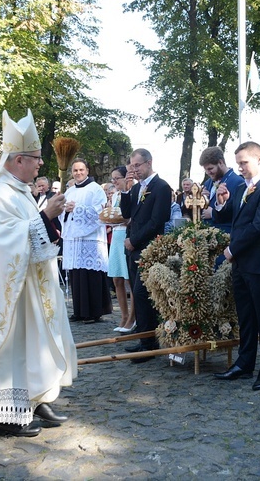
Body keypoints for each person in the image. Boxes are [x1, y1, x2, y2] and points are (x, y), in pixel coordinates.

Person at [0, 109, 75, 438]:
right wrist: (45, 216)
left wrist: (47, 218)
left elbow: (30, 234)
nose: (40, 165)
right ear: (18, 160)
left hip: (29, 289)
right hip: (8, 295)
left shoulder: (19, 191)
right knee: (11, 346)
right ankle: (6, 414)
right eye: (36, 159)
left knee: (32, 344)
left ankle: (34, 399)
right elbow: (5, 243)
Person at [212, 141, 260, 390]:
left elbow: (259, 226)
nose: (240, 168)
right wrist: (222, 203)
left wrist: (232, 249)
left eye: (244, 162)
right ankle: (244, 364)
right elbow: (231, 217)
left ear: (259, 160)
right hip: (243, 264)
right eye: (238, 163)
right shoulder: (246, 188)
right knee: (245, 317)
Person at [119, 148, 173, 362]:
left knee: (143, 293)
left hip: (149, 247)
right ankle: (144, 339)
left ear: (149, 163)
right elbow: (126, 214)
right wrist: (125, 190)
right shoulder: (136, 188)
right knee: (137, 294)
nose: (134, 170)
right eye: (132, 166)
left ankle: (150, 341)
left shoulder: (161, 187)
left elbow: (157, 221)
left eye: (137, 165)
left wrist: (134, 240)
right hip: (133, 248)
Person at [60, 158, 112, 324]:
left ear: (87, 171)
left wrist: (77, 208)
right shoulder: (69, 191)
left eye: (81, 170)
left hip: (91, 239)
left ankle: (94, 312)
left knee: (90, 275)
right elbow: (62, 214)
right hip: (74, 240)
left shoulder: (95, 189)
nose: (78, 173)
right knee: (77, 276)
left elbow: (100, 213)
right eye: (75, 170)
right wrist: (66, 211)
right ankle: (80, 311)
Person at [108, 166, 136, 333]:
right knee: (116, 279)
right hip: (116, 237)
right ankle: (124, 315)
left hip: (126, 235)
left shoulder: (131, 193)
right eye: (113, 179)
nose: (114, 182)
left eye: (117, 178)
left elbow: (131, 216)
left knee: (129, 280)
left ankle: (132, 318)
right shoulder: (115, 196)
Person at [199, 146, 244, 234]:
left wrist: (213, 213)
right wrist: (202, 200)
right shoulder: (208, 182)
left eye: (210, 168)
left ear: (220, 162)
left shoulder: (239, 183)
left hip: (225, 235)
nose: (208, 173)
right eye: (205, 170)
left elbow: (238, 213)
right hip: (206, 236)